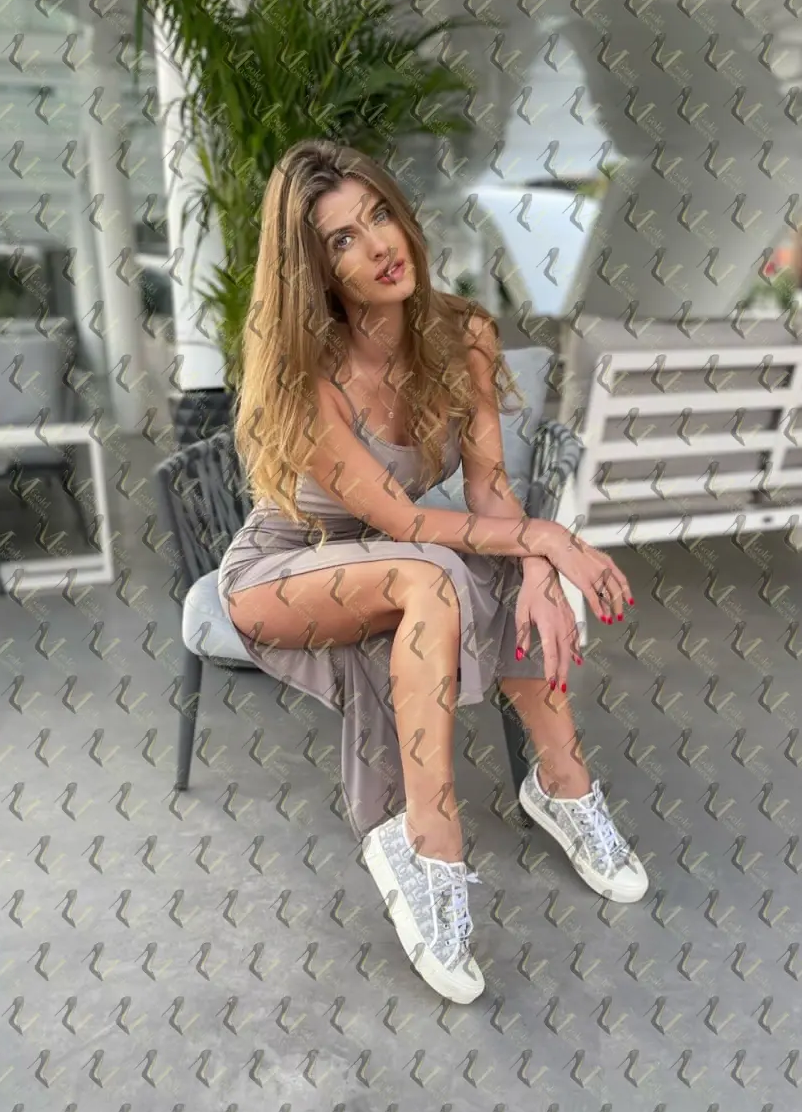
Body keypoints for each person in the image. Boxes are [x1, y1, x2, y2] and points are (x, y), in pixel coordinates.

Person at [219, 139, 649, 1005]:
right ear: (317, 273)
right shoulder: (309, 380)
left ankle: (563, 785)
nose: (379, 245)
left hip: (396, 558)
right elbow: (406, 523)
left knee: (487, 569)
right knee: (432, 570)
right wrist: (552, 538)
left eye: (380, 215)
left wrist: (537, 562)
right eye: (343, 240)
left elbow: (489, 491)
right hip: (285, 572)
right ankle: (432, 845)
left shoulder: (465, 334)